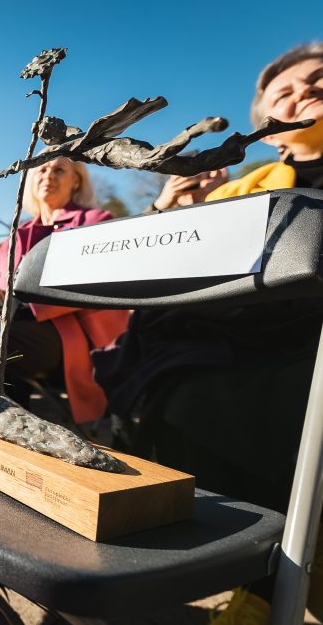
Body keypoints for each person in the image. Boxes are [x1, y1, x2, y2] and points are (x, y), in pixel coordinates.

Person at [93, 42, 323, 622]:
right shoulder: (242, 186)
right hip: (202, 356)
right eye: (285, 91)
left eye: (319, 80)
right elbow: (146, 282)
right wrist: (170, 215)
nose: (305, 93)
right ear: (269, 128)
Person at [0, 157, 129, 422]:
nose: (48, 175)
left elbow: (94, 281)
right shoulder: (21, 230)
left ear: (76, 180)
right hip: (7, 323)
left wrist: (20, 301)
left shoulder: (94, 221)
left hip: (62, 332)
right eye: (42, 169)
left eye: (59, 170)